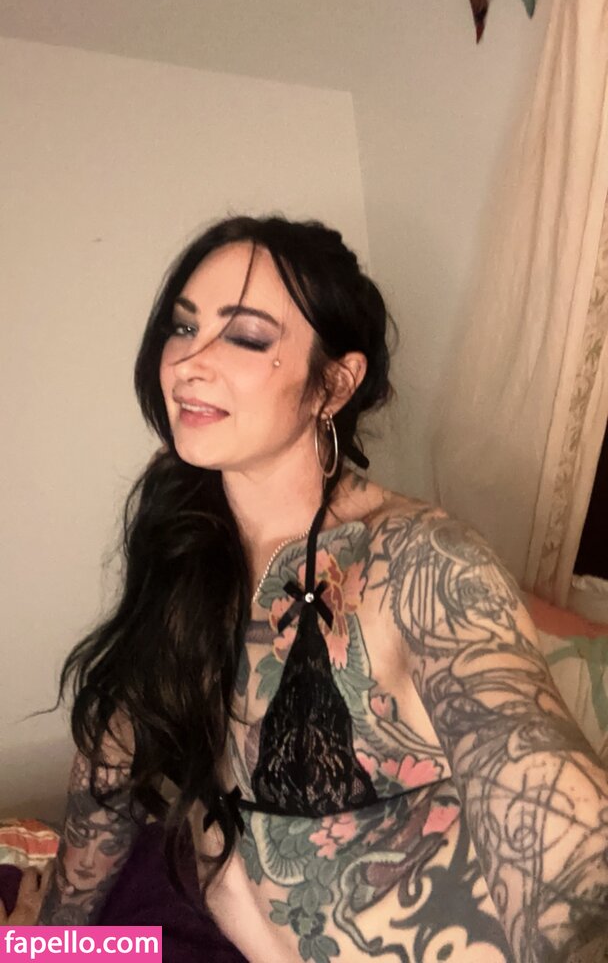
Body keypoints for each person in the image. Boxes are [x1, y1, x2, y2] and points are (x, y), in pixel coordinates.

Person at [9, 216, 607, 960]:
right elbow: (117, 738)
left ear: (333, 383)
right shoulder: (182, 520)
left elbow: (563, 845)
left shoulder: (420, 563)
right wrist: (49, 939)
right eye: (183, 326)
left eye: (243, 336)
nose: (189, 361)